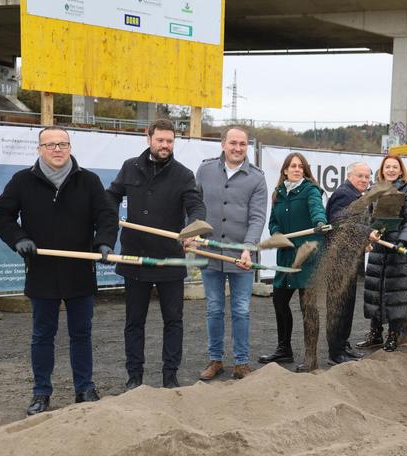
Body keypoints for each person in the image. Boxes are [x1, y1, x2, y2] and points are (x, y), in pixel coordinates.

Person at [0, 126, 117, 415]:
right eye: (50, 145)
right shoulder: (23, 181)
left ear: (70, 148)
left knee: (81, 334)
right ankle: (41, 393)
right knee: (42, 335)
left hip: (79, 270)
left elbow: (107, 216)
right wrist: (19, 238)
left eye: (62, 144)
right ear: (40, 149)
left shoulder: (89, 181)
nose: (57, 149)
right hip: (42, 271)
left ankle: (84, 388)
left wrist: (104, 243)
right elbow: (0, 214)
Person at [106, 118, 206, 390]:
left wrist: (194, 229)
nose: (165, 145)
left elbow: (195, 206)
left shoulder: (183, 174)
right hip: (135, 258)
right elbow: (112, 195)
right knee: (134, 322)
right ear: (148, 137)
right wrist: (108, 215)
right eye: (160, 140)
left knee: (173, 321)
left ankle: (170, 376)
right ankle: (134, 377)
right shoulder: (130, 167)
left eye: (170, 141)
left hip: (169, 259)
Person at [196, 126, 267, 380]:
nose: (238, 148)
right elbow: (194, 207)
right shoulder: (204, 170)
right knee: (214, 309)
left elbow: (258, 218)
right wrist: (191, 234)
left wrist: (248, 248)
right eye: (233, 143)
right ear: (223, 144)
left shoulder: (257, 177)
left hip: (241, 258)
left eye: (243, 144)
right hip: (210, 255)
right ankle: (215, 360)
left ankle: (241, 363)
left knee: (242, 310)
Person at [258, 153, 327, 372]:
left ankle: (311, 357)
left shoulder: (311, 190)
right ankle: (284, 348)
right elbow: (273, 222)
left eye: (300, 167)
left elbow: (317, 208)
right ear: (285, 170)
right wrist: (278, 234)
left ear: (305, 170)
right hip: (286, 256)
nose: (297, 169)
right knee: (279, 302)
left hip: (307, 256)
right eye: (292, 166)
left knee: (309, 308)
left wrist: (319, 222)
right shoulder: (278, 193)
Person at [358, 154, 407, 352]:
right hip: (378, 249)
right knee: (375, 291)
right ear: (382, 170)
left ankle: (393, 336)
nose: (391, 170)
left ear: (401, 170)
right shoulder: (375, 190)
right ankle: (375, 335)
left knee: (396, 295)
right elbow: (367, 218)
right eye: (387, 167)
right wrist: (369, 235)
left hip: (398, 251)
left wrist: (402, 240)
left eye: (395, 167)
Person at [323, 162, 371, 363]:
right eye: (360, 176)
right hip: (338, 261)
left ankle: (343, 345)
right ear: (349, 176)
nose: (364, 180)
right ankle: (335, 352)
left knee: (347, 305)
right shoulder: (344, 194)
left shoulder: (355, 195)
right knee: (338, 307)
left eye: (367, 177)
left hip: (349, 259)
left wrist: (363, 242)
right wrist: (367, 233)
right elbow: (341, 223)